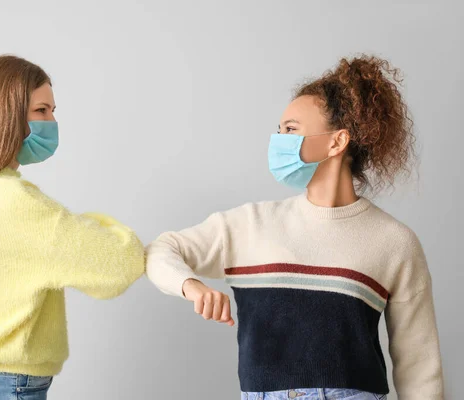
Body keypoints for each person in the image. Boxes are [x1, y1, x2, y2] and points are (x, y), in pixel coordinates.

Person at [146, 55, 443, 400]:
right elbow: (158, 251)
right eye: (279, 131)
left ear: (336, 141)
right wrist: (192, 286)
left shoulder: (394, 242)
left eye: (290, 130)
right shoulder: (248, 225)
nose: (278, 141)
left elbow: (419, 365)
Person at [0, 55, 145, 400]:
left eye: (52, 111)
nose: (53, 121)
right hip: (3, 386)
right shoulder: (14, 201)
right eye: (42, 111)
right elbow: (121, 263)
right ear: (8, 116)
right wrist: (97, 223)